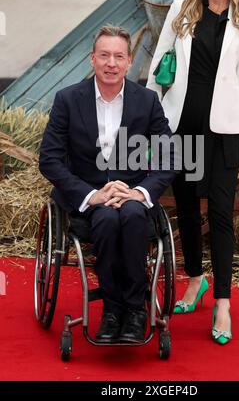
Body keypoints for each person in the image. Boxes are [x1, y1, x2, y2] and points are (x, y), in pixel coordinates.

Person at [146, 0, 239, 345]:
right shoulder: (181, 8)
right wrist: (152, 121)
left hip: (225, 129)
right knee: (189, 208)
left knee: (223, 214)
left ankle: (223, 302)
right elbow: (160, 62)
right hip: (182, 124)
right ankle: (196, 279)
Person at [39, 25, 177, 344]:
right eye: (104, 55)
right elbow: (50, 159)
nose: (111, 63)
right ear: (93, 59)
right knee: (106, 218)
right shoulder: (68, 100)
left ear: (129, 63)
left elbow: (170, 154)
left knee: (129, 215)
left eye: (118, 56)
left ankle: (135, 310)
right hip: (87, 198)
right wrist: (91, 195)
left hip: (131, 194)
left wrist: (140, 192)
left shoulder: (147, 101)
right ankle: (113, 311)